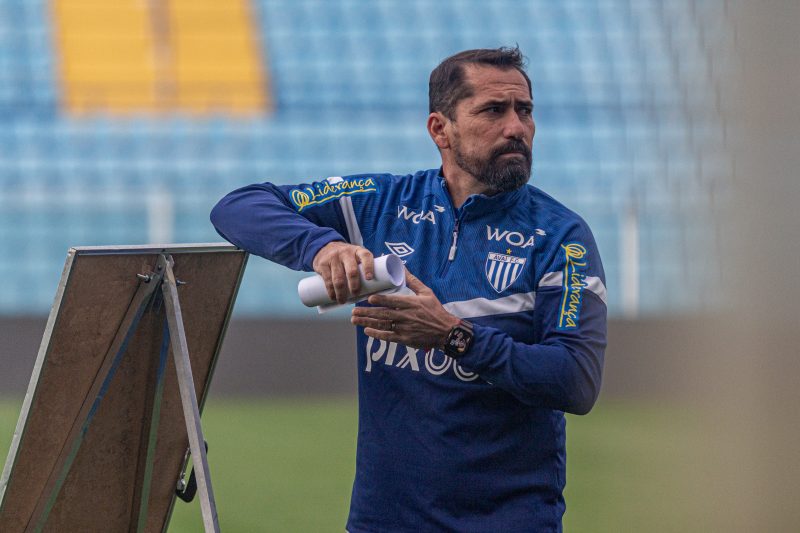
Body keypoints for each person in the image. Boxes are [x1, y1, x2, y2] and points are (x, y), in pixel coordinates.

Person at [211, 46, 606, 533]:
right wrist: (323, 247)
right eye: (493, 110)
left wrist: (455, 338)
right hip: (384, 521)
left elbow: (575, 379)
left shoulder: (561, 237)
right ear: (440, 129)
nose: (516, 128)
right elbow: (238, 205)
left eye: (524, 110)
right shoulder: (379, 203)